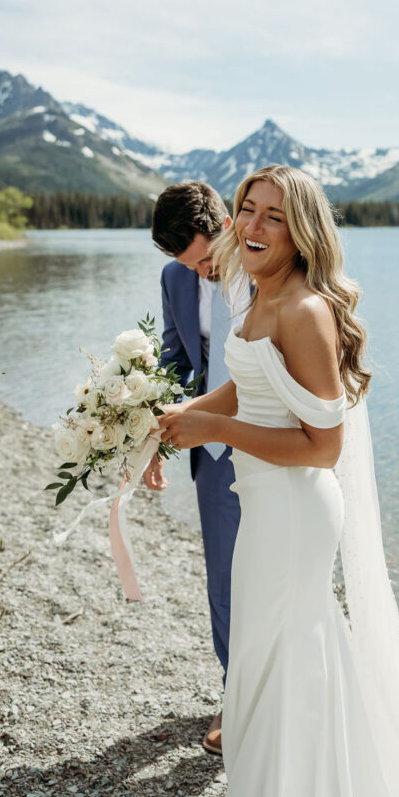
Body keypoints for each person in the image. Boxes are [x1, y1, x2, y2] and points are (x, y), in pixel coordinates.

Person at [157, 165, 399, 797]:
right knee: (267, 662)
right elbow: (250, 385)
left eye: (274, 216)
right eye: (247, 209)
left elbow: (325, 447)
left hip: (295, 510)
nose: (253, 226)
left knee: (290, 657)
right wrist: (179, 418)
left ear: (303, 232)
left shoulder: (306, 310)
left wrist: (215, 428)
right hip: (265, 506)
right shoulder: (263, 295)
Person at [145, 181, 248, 757]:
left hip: (273, 442)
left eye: (207, 259)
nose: (202, 272)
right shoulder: (174, 279)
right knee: (225, 581)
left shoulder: (269, 270)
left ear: (228, 225)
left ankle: (290, 690)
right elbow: (177, 363)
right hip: (211, 457)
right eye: (190, 265)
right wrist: (151, 441)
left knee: (281, 570)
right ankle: (237, 695)